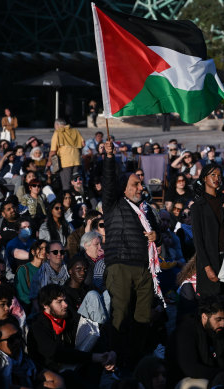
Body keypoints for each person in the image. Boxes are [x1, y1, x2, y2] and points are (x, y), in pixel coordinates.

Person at [102, 139, 162, 368]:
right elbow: (108, 182)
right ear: (124, 187)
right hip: (121, 263)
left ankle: (135, 360)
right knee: (121, 314)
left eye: (141, 184)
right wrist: (109, 158)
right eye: (136, 184)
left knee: (143, 316)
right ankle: (117, 359)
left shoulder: (146, 209)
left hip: (144, 268)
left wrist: (156, 235)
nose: (141, 188)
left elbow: (158, 232)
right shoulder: (113, 204)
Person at [27, 284, 117, 388]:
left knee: (98, 355)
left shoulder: (68, 317)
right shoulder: (38, 327)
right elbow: (55, 354)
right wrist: (93, 357)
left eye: (64, 300)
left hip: (72, 364)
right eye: (59, 302)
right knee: (72, 376)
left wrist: (109, 353)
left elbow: (90, 337)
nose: (65, 304)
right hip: (51, 372)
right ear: (45, 305)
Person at [190, 164, 224, 323]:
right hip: (210, 260)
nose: (217, 178)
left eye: (219, 175)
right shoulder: (198, 206)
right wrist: (207, 267)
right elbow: (198, 240)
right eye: (213, 175)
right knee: (211, 308)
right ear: (204, 178)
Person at [166, 296, 224, 384]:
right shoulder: (186, 331)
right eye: (218, 319)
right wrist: (220, 373)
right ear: (204, 316)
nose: (223, 324)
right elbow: (190, 368)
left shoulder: (215, 331)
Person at [0, 320, 65, 389]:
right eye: (11, 339)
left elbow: (57, 379)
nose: (17, 341)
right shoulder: (0, 365)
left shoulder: (24, 359)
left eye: (18, 336)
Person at [47, 118, 85, 192]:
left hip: (65, 162)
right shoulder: (75, 131)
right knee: (77, 183)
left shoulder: (57, 132)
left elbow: (53, 151)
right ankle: (80, 198)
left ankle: (68, 199)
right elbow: (83, 144)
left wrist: (49, 162)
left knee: (66, 184)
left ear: (57, 125)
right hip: (77, 161)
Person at [15, 239, 47, 313]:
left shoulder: (48, 269)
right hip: (31, 309)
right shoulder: (23, 270)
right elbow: (22, 294)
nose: (44, 251)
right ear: (33, 252)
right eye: (41, 248)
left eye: (46, 249)